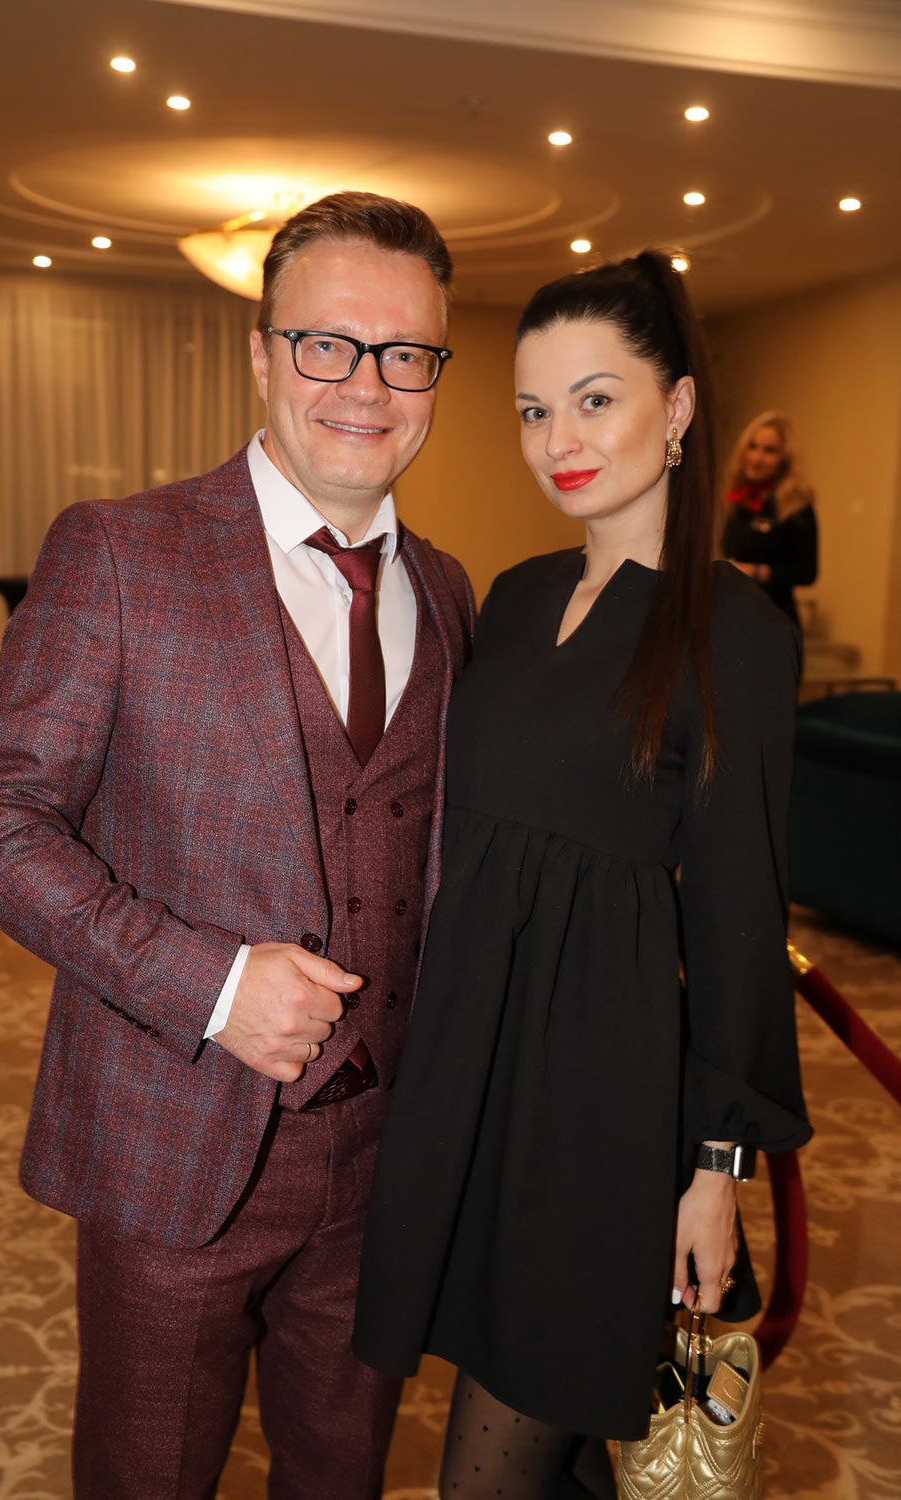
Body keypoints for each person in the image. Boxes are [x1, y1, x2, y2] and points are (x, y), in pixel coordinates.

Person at [0, 190, 474, 1500]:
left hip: (387, 1157)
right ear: (261, 355)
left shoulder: (450, 588)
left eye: (406, 352)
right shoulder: (122, 551)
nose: (366, 384)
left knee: (340, 1474)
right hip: (174, 1144)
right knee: (149, 1475)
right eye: (326, 343)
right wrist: (216, 985)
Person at [353, 252, 812, 1498]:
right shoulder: (513, 597)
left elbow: (736, 915)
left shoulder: (732, 632)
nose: (558, 439)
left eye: (595, 399)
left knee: (493, 1465)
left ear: (676, 408)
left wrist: (715, 1173)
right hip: (475, 1072)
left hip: (601, 1107)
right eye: (532, 408)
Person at [721, 410, 818, 628]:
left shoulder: (797, 505)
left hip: (775, 617)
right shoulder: (737, 501)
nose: (756, 458)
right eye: (752, 446)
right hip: (736, 614)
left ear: (784, 458)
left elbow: (807, 572)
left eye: (769, 450)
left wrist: (754, 571)